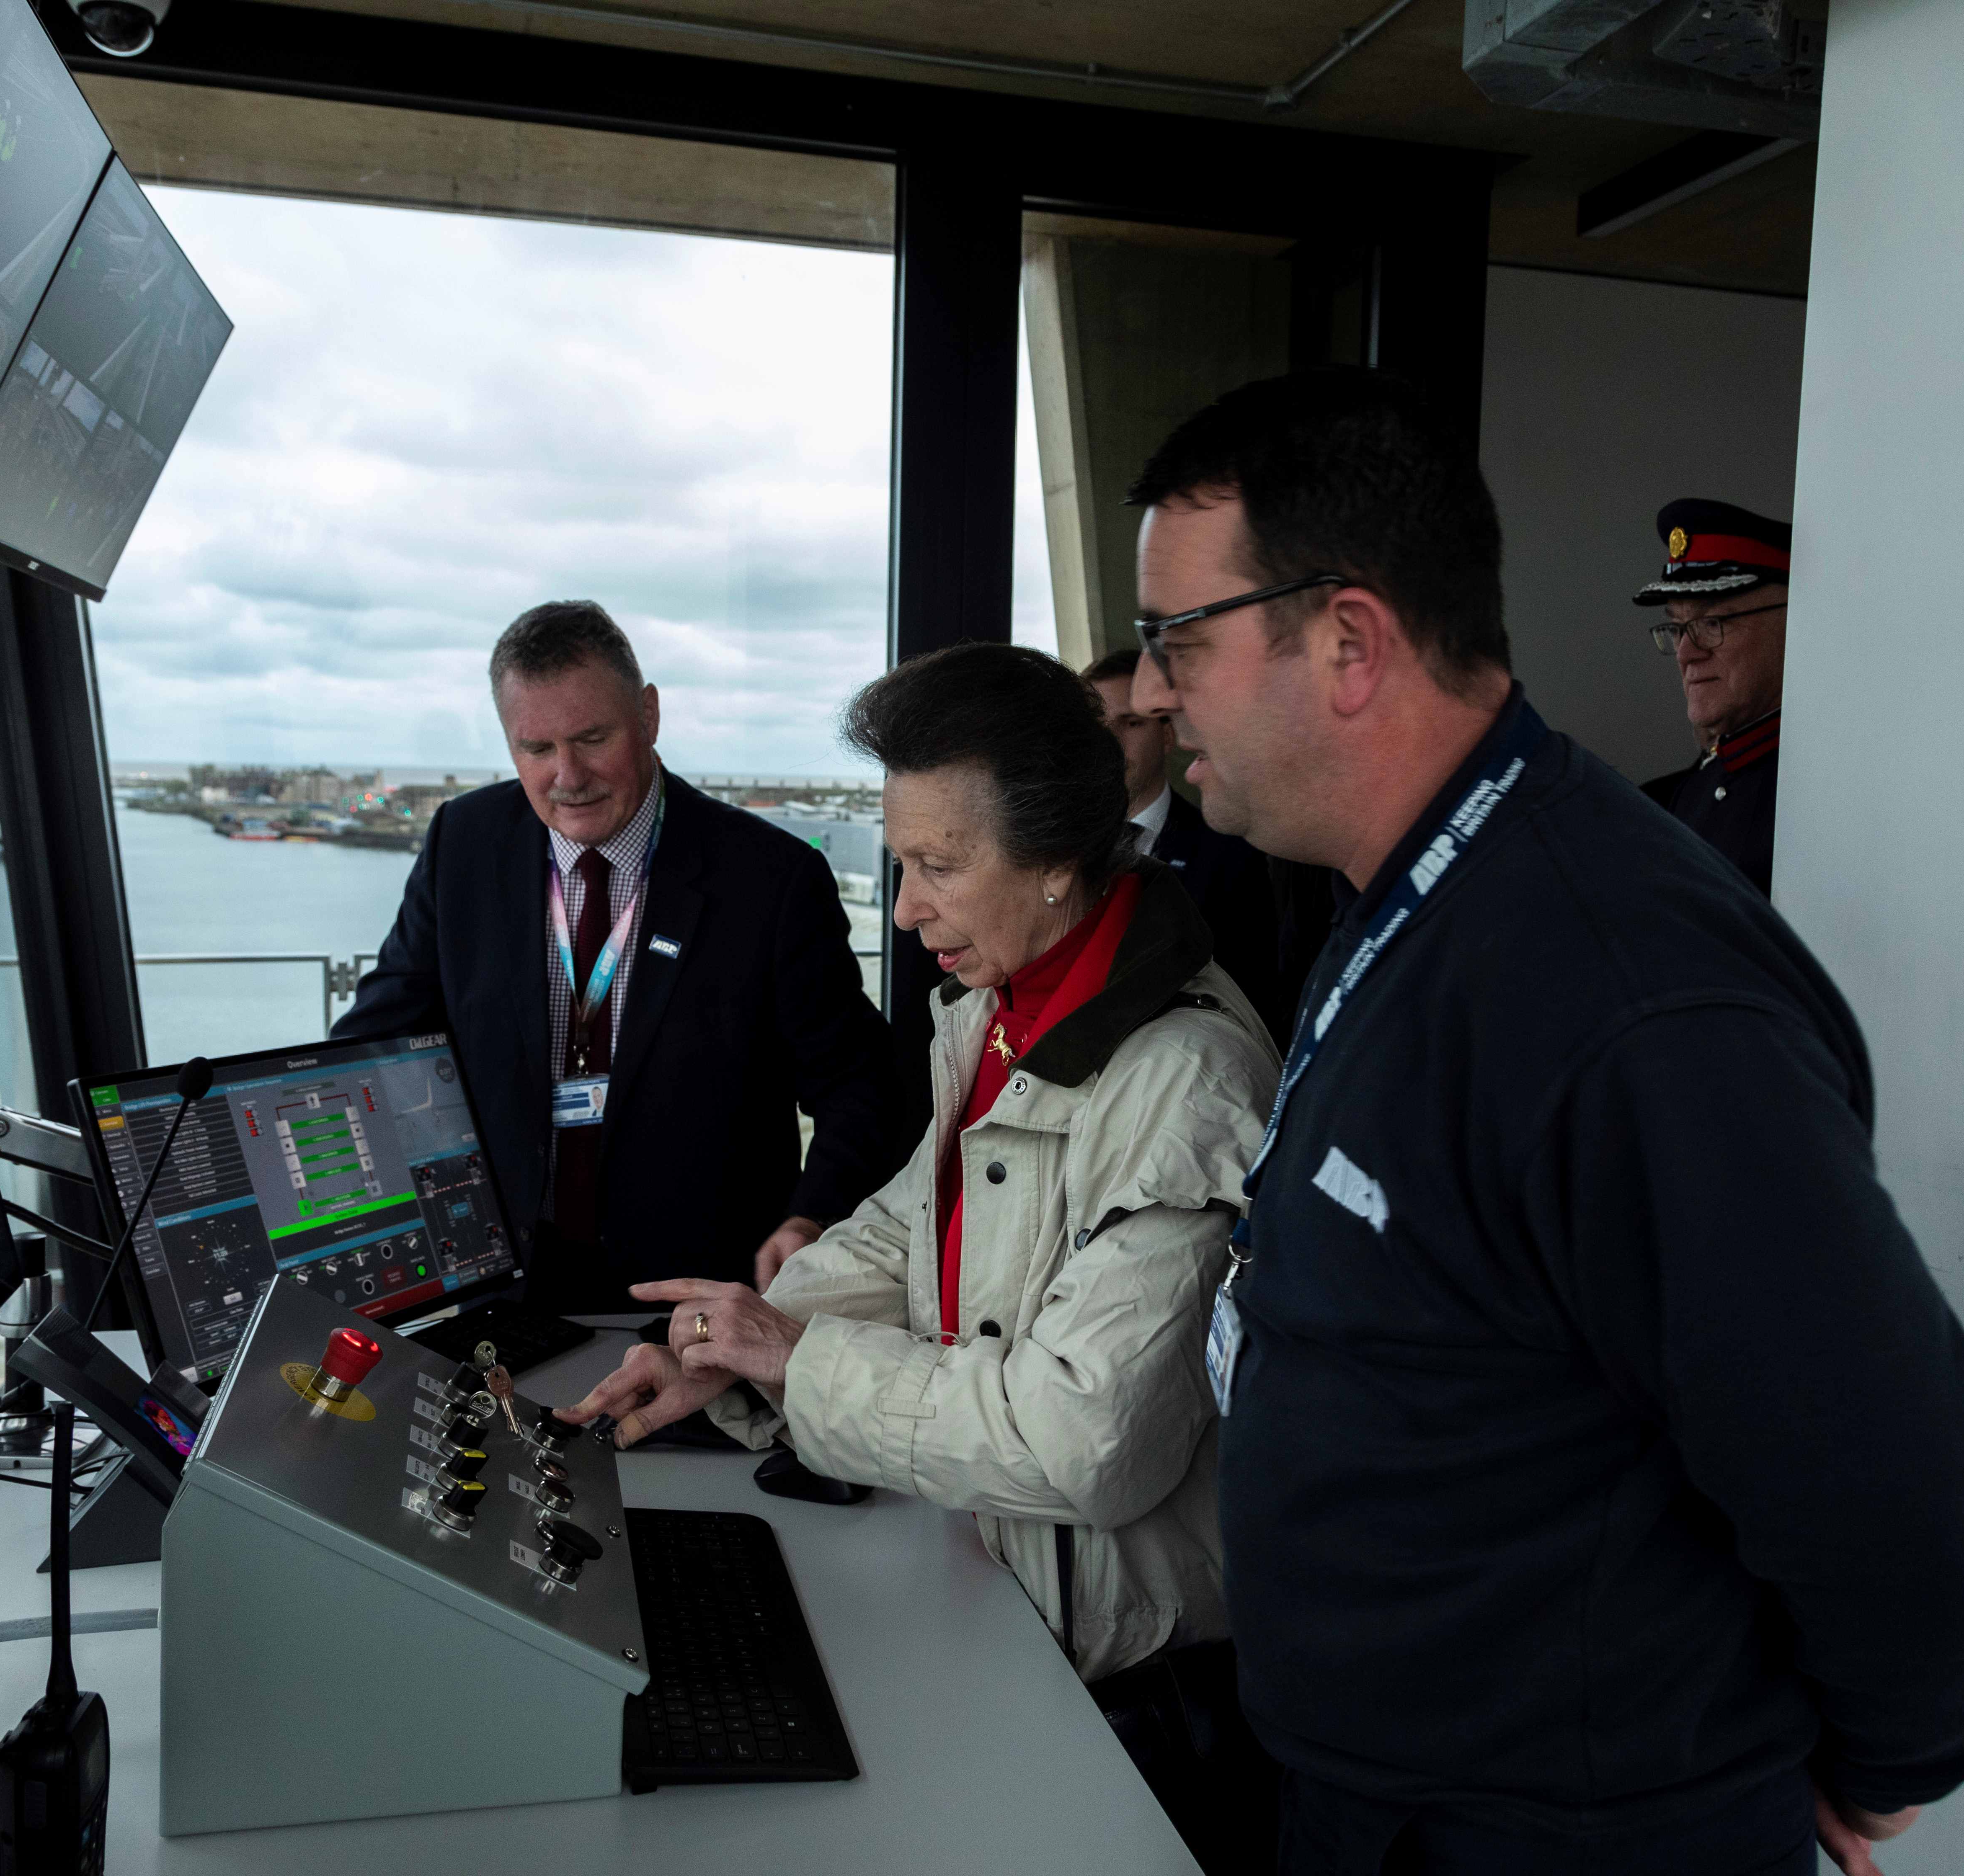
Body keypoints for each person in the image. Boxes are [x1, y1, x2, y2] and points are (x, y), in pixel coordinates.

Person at [1125, 370, 1964, 1876]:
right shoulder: (1413, 897)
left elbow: (1914, 1514)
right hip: (1380, 1793)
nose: (1154, 687)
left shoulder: (1622, 992)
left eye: (1179, 638)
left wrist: (1871, 1754)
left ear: (1346, 640)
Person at [560, 642, 1284, 1871]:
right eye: (900, 860)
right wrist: (727, 1353)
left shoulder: (1185, 1088)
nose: (902, 908)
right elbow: (906, 1226)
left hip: (1123, 1695)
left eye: (938, 866)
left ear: (1060, 861)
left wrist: (800, 1361)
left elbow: (1083, 1442)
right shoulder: (995, 1011)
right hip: (997, 1594)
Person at [335, 600, 905, 1313]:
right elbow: (379, 1040)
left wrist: (811, 1218)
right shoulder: (464, 841)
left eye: (592, 738)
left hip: (700, 1295)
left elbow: (861, 1086)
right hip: (505, 1278)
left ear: (649, 716)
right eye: (536, 750)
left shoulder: (769, 879)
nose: (568, 776)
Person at [1083, 647, 1297, 1040]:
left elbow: (1261, 994)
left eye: (1130, 724)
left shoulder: (1234, 852)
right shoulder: (1060, 857)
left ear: (1167, 735)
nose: (1109, 743)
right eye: (1097, 727)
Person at [1636, 499, 1792, 894]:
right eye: (1677, 629)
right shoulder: (1681, 794)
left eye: (1713, 622)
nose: (1687, 653)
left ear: (1793, 620)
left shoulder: (1814, 790)